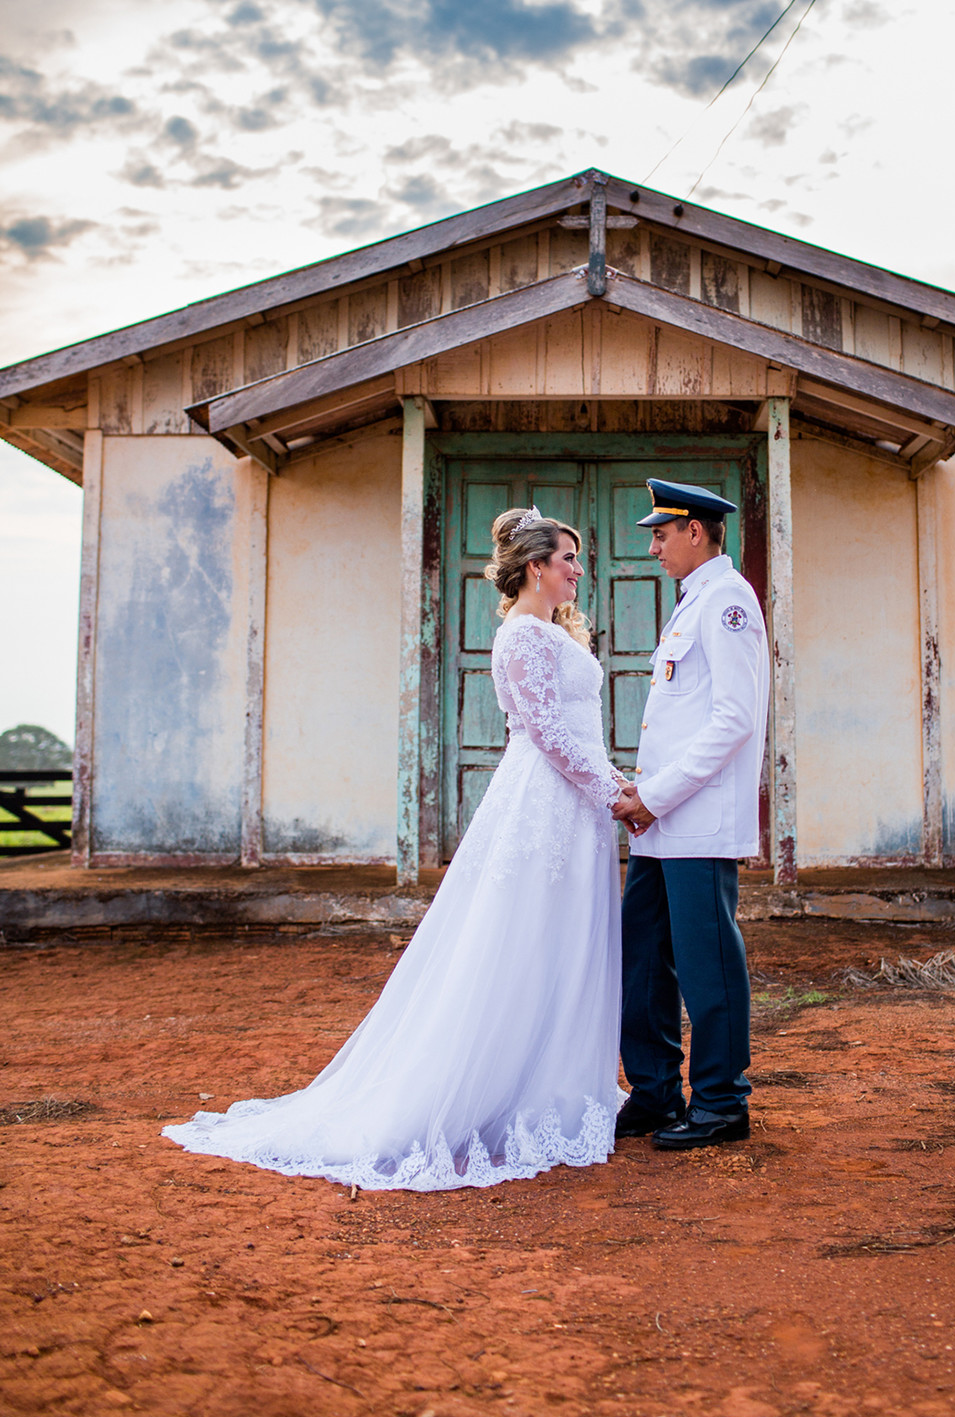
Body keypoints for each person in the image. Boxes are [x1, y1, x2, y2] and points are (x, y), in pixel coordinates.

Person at [163, 509, 625, 1192]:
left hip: (576, 806)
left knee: (565, 939)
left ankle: (559, 1080)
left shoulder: (554, 632)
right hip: (546, 801)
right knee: (524, 938)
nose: (578, 571)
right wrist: (615, 793)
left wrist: (612, 786)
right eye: (568, 559)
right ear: (536, 568)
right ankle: (500, 1092)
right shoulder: (523, 637)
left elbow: (580, 731)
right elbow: (549, 733)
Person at [612, 479, 770, 1151]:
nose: (653, 548)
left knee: (708, 968)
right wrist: (646, 795)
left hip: (695, 819)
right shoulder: (693, 602)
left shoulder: (728, 601)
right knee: (644, 958)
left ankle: (721, 1102)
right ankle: (654, 1092)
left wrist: (657, 795)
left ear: (695, 532)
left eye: (660, 534)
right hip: (662, 822)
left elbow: (735, 718)